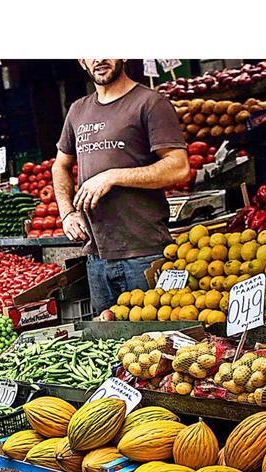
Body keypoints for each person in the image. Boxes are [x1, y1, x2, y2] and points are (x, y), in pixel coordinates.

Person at [53, 59, 191, 314]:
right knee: (107, 347)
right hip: (97, 256)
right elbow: (60, 166)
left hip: (144, 254)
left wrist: (113, 176)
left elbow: (179, 166)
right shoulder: (78, 111)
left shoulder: (150, 103)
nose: (99, 58)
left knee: (154, 345)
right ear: (82, 60)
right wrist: (67, 213)